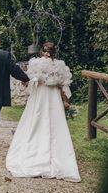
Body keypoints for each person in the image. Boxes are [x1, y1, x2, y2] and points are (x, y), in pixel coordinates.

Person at [5, 42, 81, 182]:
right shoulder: (60, 65)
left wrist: (29, 82)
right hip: (53, 97)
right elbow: (63, 85)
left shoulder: (36, 64)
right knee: (55, 124)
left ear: (41, 51)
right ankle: (61, 157)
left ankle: (32, 155)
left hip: (40, 96)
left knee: (35, 121)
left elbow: (31, 80)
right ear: (54, 52)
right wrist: (65, 99)